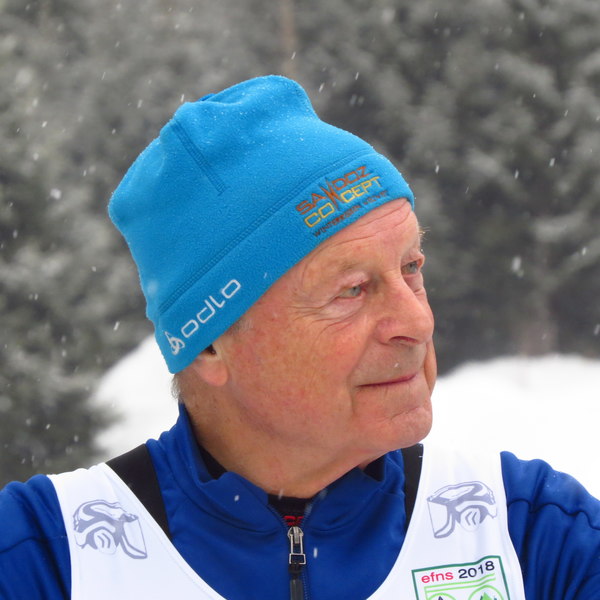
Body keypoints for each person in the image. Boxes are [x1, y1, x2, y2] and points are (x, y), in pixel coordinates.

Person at [0, 75, 599, 600]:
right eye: (352, 290)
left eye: (411, 268)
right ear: (209, 343)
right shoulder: (44, 557)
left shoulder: (532, 535)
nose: (416, 322)